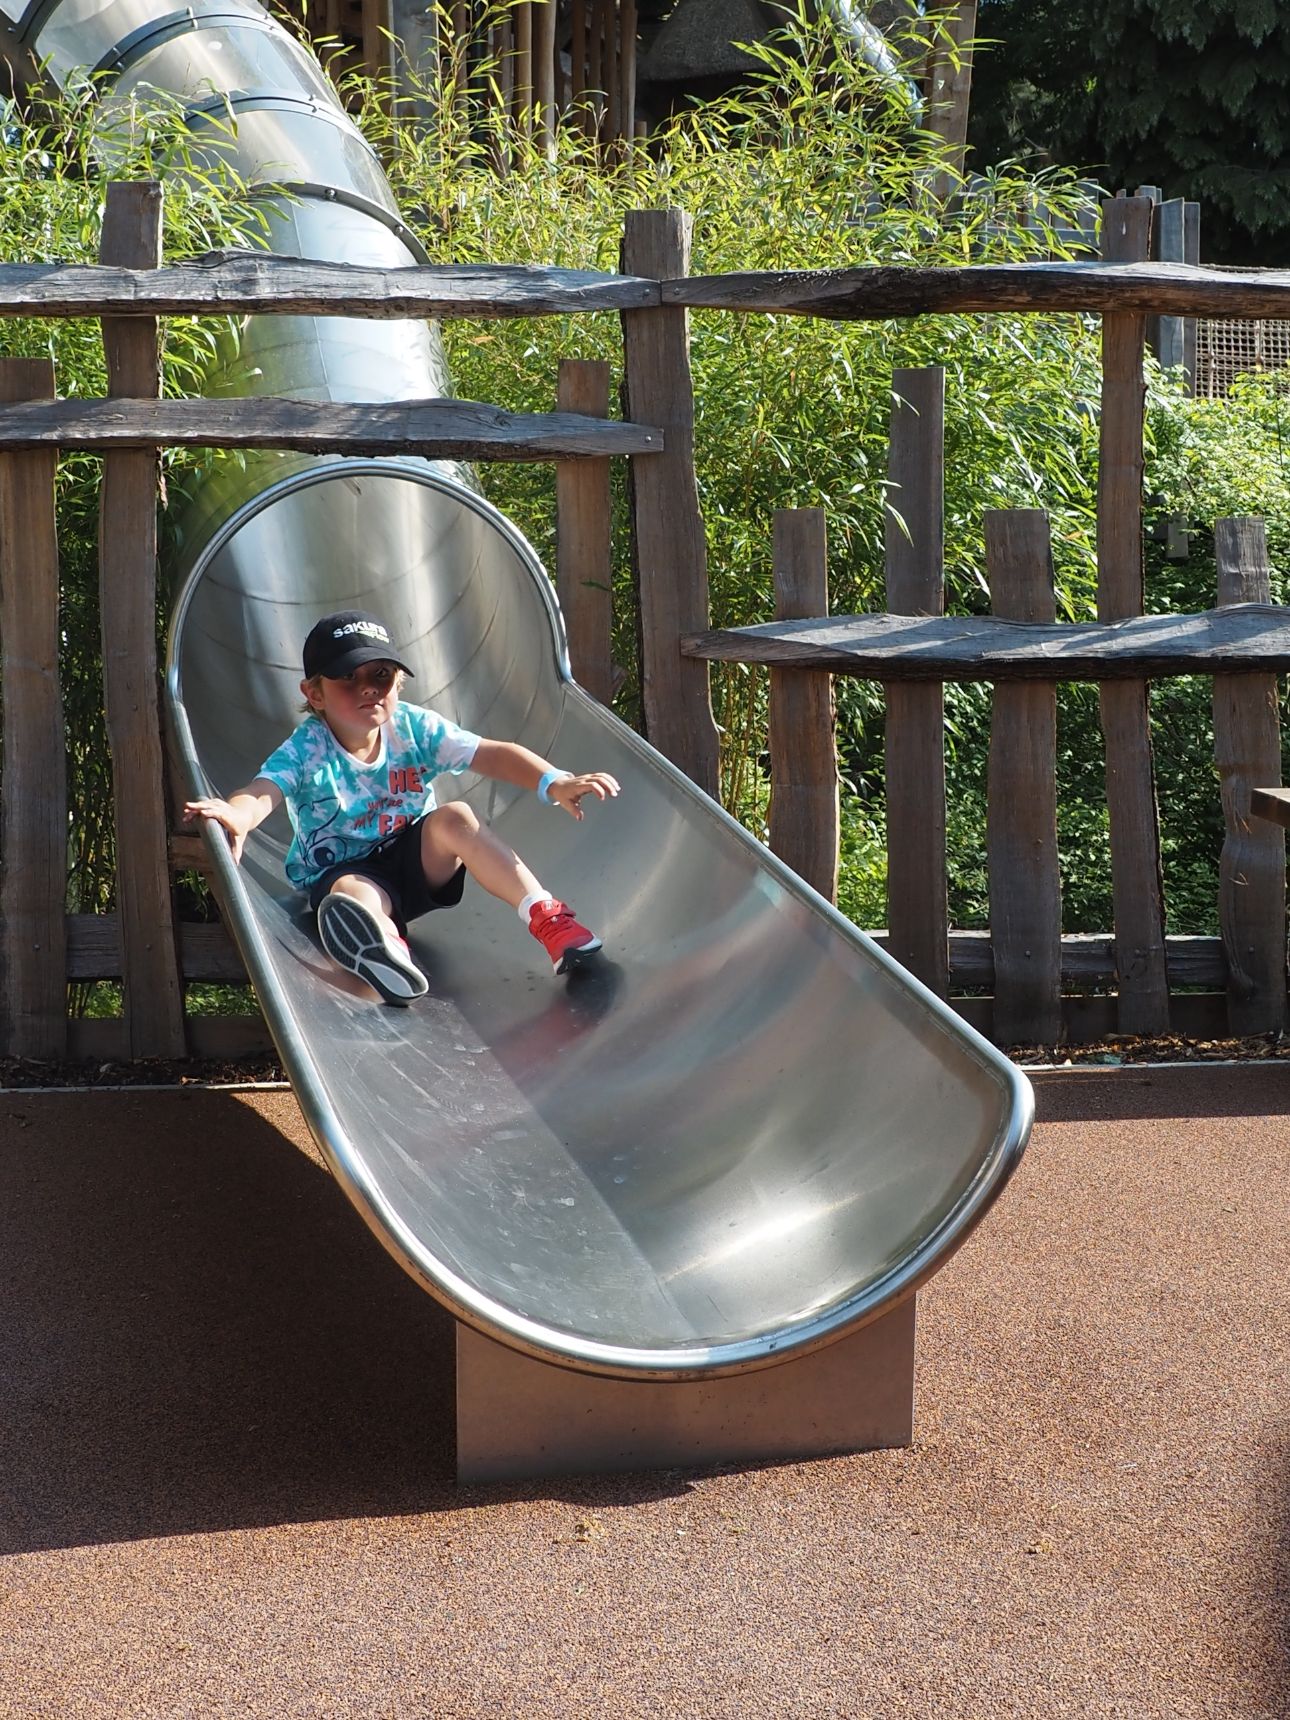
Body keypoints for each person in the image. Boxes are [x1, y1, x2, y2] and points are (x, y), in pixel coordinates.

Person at [184, 609, 618, 1005]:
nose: (368, 687)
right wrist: (237, 815)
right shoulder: (307, 749)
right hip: (347, 870)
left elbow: (490, 753)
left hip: (416, 860)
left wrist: (554, 780)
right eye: (347, 678)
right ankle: (385, 947)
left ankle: (547, 918)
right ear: (314, 694)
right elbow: (265, 790)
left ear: (399, 683)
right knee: (350, 894)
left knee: (456, 817)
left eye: (382, 675)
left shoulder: (413, 727)